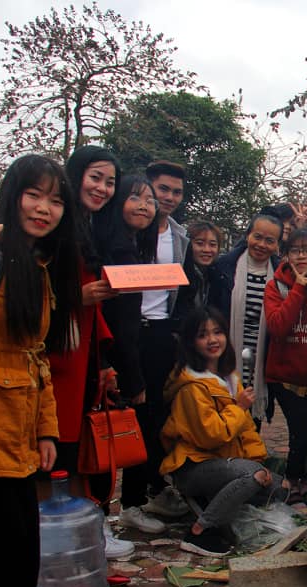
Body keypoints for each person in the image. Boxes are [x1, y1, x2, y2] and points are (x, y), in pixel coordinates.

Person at [0, 155, 81, 587]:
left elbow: (36, 358)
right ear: (13, 196)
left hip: (14, 434)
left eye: (55, 200)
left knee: (22, 556)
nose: (44, 208)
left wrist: (46, 428)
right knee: (8, 554)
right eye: (34, 194)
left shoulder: (40, 267)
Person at [52, 145, 131, 558]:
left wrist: (105, 359)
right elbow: (35, 294)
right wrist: (73, 298)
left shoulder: (92, 227)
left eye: (109, 182)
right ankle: (60, 534)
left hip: (85, 352)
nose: (102, 188)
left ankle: (88, 527)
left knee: (83, 442)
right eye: (95, 177)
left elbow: (92, 303)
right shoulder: (55, 228)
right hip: (56, 355)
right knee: (58, 446)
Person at [160, 307, 287, 557]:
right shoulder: (191, 386)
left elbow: (245, 430)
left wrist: (255, 461)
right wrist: (239, 407)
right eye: (203, 335)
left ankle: (213, 502)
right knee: (252, 476)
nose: (212, 340)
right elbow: (212, 435)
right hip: (194, 466)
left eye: (217, 332)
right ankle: (201, 532)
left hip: (224, 461)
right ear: (190, 342)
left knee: (280, 488)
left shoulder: (229, 377)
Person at [93, 175, 170, 535]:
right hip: (112, 355)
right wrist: (129, 374)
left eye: (149, 200)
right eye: (135, 197)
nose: (144, 205)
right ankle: (104, 517)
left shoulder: (133, 245)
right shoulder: (115, 248)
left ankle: (122, 508)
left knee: (134, 427)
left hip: (129, 348)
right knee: (111, 433)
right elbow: (121, 320)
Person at [137, 160, 192, 521]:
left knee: (159, 415)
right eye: (163, 190)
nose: (169, 197)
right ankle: (130, 501)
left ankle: (154, 491)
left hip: (162, 332)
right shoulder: (130, 231)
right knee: (132, 416)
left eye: (176, 192)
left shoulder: (179, 235)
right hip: (129, 331)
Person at [263, 229, 307, 507]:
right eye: (296, 250)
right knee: (299, 431)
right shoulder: (276, 286)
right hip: (285, 376)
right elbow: (278, 326)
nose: (302, 256)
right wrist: (299, 287)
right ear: (286, 255)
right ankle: (294, 481)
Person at [210, 213, 284, 426]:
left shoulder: (281, 274)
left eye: (270, 240)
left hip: (261, 354)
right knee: (224, 405)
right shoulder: (224, 266)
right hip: (227, 350)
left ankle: (248, 455)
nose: (262, 244)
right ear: (247, 235)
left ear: (277, 244)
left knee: (251, 408)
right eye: (257, 237)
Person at [172, 220, 222, 325]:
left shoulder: (218, 276)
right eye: (200, 243)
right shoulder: (179, 274)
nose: (206, 250)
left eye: (212, 245)